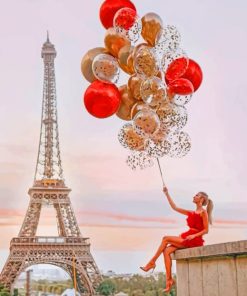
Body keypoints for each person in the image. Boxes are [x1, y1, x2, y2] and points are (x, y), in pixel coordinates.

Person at [140, 186, 214, 293]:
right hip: (187, 237)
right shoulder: (191, 213)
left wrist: (194, 236)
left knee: (165, 239)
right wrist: (167, 194)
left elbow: (206, 230)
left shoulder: (203, 213)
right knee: (167, 251)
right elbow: (174, 207)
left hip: (194, 240)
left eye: (197, 195)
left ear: (201, 199)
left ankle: (152, 262)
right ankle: (169, 280)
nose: (194, 196)